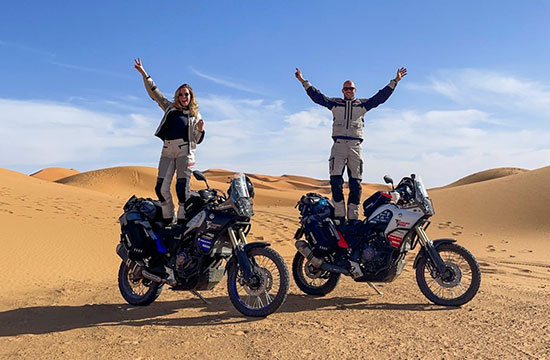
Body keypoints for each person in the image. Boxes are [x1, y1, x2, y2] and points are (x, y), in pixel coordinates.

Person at [295, 67, 407, 223]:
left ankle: (353, 217)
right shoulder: (334, 104)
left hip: (355, 147)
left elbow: (380, 97)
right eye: (346, 88)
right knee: (336, 181)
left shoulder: (362, 105)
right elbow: (317, 96)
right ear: (342, 90)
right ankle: (339, 216)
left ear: (355, 90)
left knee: (355, 183)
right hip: (338, 146)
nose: (349, 90)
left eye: (351, 88)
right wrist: (303, 81)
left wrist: (395, 81)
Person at [134, 58, 205, 224]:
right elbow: (155, 94)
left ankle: (182, 221)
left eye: (186, 94)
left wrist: (200, 129)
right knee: (160, 189)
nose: (183, 97)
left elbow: (197, 140)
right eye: (180, 94)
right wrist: (144, 74)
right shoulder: (170, 108)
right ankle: (168, 219)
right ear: (177, 96)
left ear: (191, 96)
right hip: (167, 151)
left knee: (182, 190)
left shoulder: (195, 116)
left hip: (185, 152)